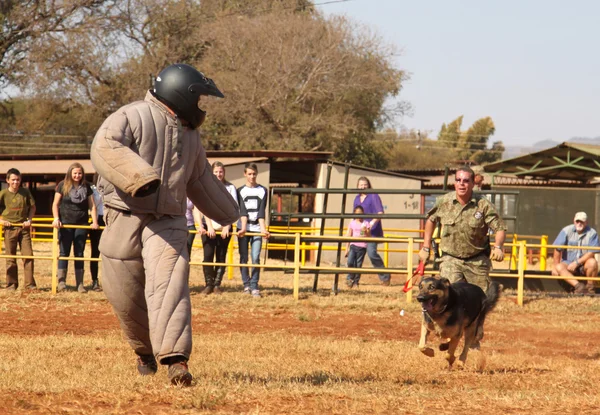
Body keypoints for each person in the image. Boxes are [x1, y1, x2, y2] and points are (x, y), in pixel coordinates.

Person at [91, 63, 239, 386]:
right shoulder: (132, 115)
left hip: (169, 219)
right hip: (124, 214)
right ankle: (144, 350)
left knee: (170, 280)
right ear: (181, 93)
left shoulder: (191, 137)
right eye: (198, 98)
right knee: (122, 290)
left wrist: (228, 212)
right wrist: (139, 177)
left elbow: (199, 178)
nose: (201, 107)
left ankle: (175, 360)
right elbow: (104, 146)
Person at [419, 166, 507, 292]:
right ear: (454, 183)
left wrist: (498, 247)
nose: (461, 184)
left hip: (476, 260)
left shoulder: (483, 205)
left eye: (466, 181)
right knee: (450, 295)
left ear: (472, 183)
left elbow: (500, 228)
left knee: (480, 300)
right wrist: (426, 247)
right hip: (450, 259)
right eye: (458, 180)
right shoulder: (444, 202)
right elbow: (431, 220)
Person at [52, 162, 99, 293]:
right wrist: (56, 218)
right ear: (70, 173)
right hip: (66, 224)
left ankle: (80, 284)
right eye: (75, 173)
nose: (77, 175)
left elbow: (92, 206)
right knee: (64, 253)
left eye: (79, 173)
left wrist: (94, 222)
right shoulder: (62, 185)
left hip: (82, 224)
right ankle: (61, 283)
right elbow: (55, 204)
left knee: (79, 253)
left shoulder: (87, 187)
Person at [200, 162, 239, 295]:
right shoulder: (206, 187)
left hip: (225, 228)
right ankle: (208, 284)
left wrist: (226, 226)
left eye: (220, 172)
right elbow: (204, 207)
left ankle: (217, 285)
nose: (218, 174)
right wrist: (209, 226)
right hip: (209, 227)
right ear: (212, 172)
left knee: (221, 256)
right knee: (208, 256)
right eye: (216, 172)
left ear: (224, 172)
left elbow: (233, 209)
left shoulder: (230, 188)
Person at [237, 163, 270, 298]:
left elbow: (261, 212)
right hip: (243, 228)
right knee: (243, 257)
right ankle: (246, 285)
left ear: (257, 174)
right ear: (245, 174)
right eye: (249, 174)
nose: (252, 176)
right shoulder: (240, 191)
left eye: (254, 174)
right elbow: (242, 211)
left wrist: (264, 230)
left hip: (256, 228)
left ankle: (255, 285)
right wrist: (243, 228)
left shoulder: (263, 190)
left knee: (255, 257)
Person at [0, 168, 36, 290]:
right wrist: (2, 221)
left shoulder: (25, 192)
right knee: (10, 257)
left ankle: (29, 284)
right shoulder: (3, 194)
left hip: (23, 228)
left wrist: (29, 220)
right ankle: (11, 284)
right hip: (9, 228)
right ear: (8, 180)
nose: (16, 182)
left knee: (28, 256)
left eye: (18, 180)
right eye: (13, 180)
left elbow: (32, 207)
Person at [353, 176, 391, 285]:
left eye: (365, 184)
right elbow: (354, 215)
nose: (363, 187)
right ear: (357, 186)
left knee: (371, 253)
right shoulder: (356, 198)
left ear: (368, 185)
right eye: (361, 185)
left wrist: (371, 223)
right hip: (360, 231)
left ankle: (385, 276)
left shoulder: (374, 196)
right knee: (357, 254)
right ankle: (354, 280)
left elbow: (380, 213)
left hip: (372, 231)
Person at [552, 212, 599, 294]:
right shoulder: (566, 230)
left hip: (584, 264)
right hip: (568, 263)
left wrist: (577, 263)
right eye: (577, 221)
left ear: (586, 222)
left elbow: (592, 252)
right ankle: (579, 287)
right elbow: (557, 249)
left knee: (593, 262)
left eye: (582, 221)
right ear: (574, 221)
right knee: (559, 267)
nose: (579, 223)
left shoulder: (592, 233)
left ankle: (590, 288)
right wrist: (555, 266)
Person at [344, 205, 370, 288]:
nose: (359, 215)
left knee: (358, 265)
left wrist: (366, 231)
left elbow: (369, 236)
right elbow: (349, 235)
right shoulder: (352, 223)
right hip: (353, 245)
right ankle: (351, 277)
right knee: (350, 262)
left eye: (360, 213)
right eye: (357, 213)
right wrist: (346, 248)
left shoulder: (366, 223)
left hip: (362, 246)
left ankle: (356, 282)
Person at [88, 175, 104, 292]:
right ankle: (95, 281)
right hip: (97, 220)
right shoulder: (92, 189)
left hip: (111, 219)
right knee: (95, 252)